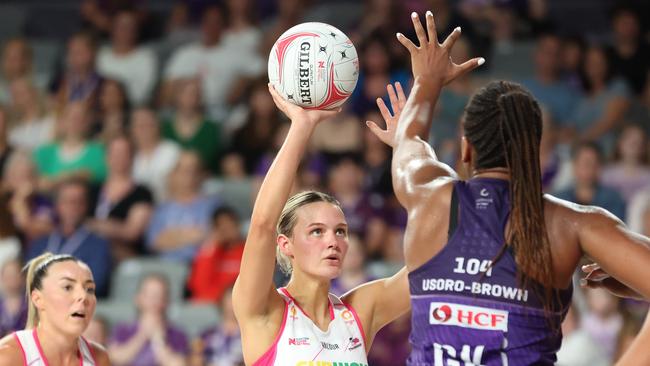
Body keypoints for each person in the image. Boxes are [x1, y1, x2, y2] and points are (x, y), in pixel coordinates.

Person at [366, 10, 650, 364]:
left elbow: (409, 141)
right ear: (535, 152)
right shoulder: (573, 224)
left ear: (467, 147)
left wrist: (427, 79)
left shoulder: (427, 195)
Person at [232, 83, 410, 365]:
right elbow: (263, 224)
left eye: (341, 231)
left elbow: (433, 260)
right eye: (317, 231)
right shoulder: (265, 311)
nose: (333, 241)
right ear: (285, 244)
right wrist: (301, 126)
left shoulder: (360, 311)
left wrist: (412, 148)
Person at [0, 253, 110, 365]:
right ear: (38, 299)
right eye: (67, 287)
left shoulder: (100, 357)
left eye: (89, 289)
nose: (83, 296)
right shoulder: (7, 356)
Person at [27, 178, 112, 297]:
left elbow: (96, 282)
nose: (73, 207)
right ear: (57, 205)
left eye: (78, 202)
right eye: (67, 201)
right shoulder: (41, 243)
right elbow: (30, 279)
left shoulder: (98, 245)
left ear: (86, 206)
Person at [108, 273, 189, 366]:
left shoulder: (177, 334)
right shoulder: (123, 329)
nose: (154, 300)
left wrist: (159, 340)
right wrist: (142, 335)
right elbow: (115, 359)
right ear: (138, 298)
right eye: (149, 295)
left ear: (167, 301)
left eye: (159, 295)